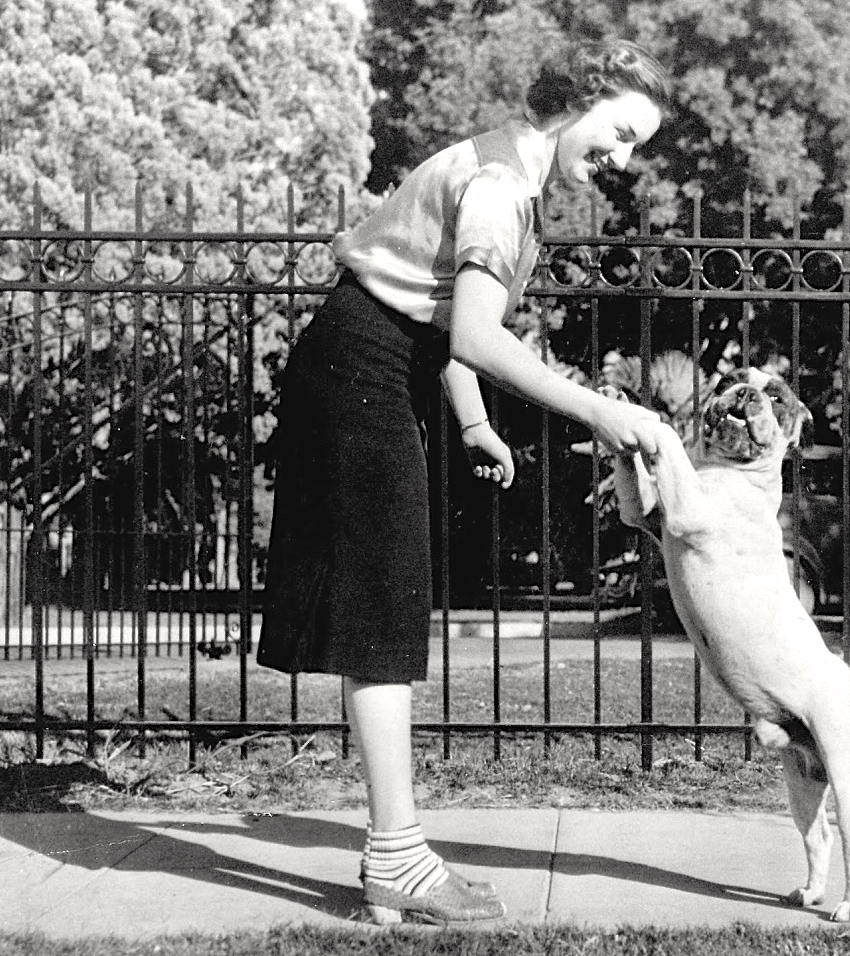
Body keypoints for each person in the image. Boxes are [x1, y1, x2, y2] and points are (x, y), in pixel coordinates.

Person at [258, 38, 673, 926]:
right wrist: (602, 412)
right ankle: (397, 860)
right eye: (621, 133)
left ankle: (396, 856)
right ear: (585, 99)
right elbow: (475, 337)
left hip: (367, 363)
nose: (623, 160)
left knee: (386, 607)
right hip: (360, 372)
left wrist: (475, 421)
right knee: (381, 612)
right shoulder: (500, 189)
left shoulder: (501, 162)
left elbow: (436, 317)